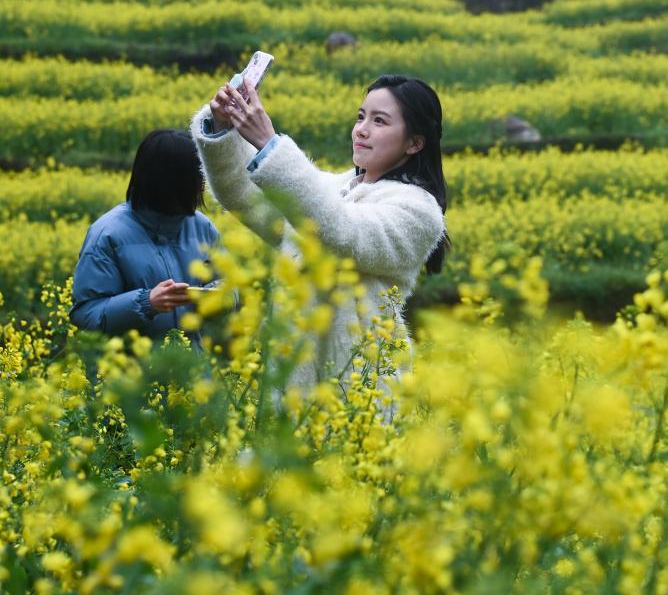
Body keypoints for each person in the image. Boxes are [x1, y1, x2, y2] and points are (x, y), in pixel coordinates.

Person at [190, 74, 448, 384]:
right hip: (292, 384)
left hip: (357, 390)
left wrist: (270, 145)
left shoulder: (418, 211)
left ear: (415, 142)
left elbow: (342, 231)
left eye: (380, 122)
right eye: (361, 116)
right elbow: (246, 197)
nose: (362, 130)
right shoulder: (334, 190)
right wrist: (222, 128)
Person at [70, 129, 219, 339]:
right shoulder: (107, 235)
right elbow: (86, 315)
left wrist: (220, 297)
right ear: (172, 183)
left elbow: (229, 287)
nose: (203, 186)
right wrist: (146, 303)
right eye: (198, 178)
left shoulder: (203, 228)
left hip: (191, 368)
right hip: (130, 370)